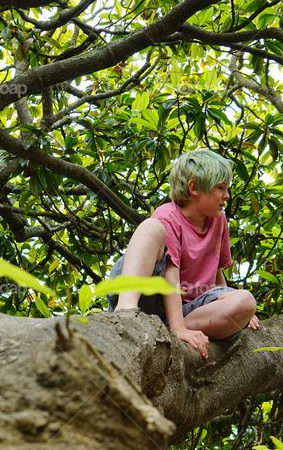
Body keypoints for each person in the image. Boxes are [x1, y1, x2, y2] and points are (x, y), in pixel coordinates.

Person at [109, 149, 259, 358]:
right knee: (152, 228)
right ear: (194, 187)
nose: (227, 195)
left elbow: (216, 274)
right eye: (221, 188)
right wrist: (177, 328)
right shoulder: (168, 217)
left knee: (245, 300)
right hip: (150, 297)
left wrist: (239, 311)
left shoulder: (218, 220)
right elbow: (170, 277)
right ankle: (126, 308)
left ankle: (177, 326)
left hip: (188, 310)